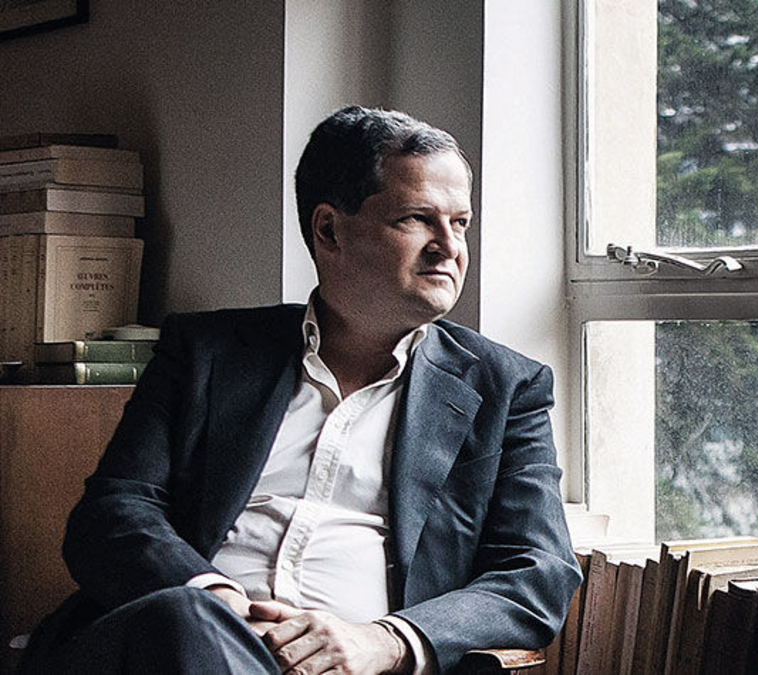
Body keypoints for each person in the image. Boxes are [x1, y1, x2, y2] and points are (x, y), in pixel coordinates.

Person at [19, 106, 582, 674]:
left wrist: (384, 641)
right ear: (329, 230)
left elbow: (537, 572)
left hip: (354, 665)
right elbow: (112, 513)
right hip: (178, 648)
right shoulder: (206, 352)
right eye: (417, 219)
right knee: (185, 618)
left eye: (459, 223)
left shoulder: (506, 387)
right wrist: (212, 598)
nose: (448, 246)